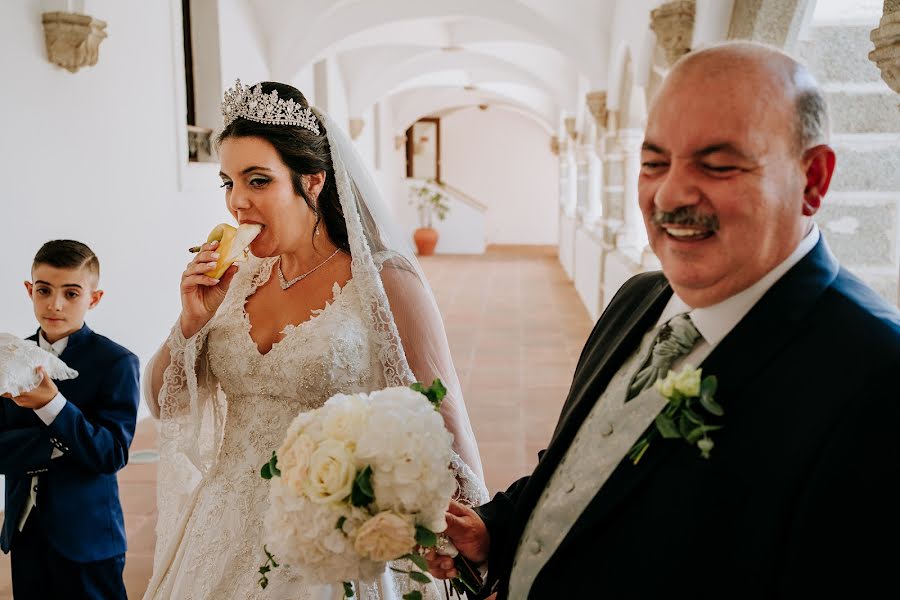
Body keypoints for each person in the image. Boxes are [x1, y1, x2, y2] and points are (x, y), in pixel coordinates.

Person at [426, 41, 900, 598]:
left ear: (813, 180)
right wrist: (498, 528)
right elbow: (581, 461)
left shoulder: (874, 377)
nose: (670, 192)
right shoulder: (638, 298)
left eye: (718, 165)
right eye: (653, 162)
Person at [142, 80, 487, 599]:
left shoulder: (385, 282)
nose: (238, 203)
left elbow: (445, 419)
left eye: (258, 181)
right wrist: (189, 323)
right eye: (228, 183)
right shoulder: (232, 281)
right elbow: (163, 405)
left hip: (337, 537)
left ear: (314, 181)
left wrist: (475, 537)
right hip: (223, 529)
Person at [1, 240, 141, 600]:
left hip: (88, 537)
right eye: (44, 290)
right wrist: (60, 447)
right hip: (24, 530)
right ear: (30, 291)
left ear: (93, 298)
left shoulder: (116, 363)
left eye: (71, 293)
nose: (55, 304)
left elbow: (110, 455)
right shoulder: (9, 356)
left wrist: (53, 406)